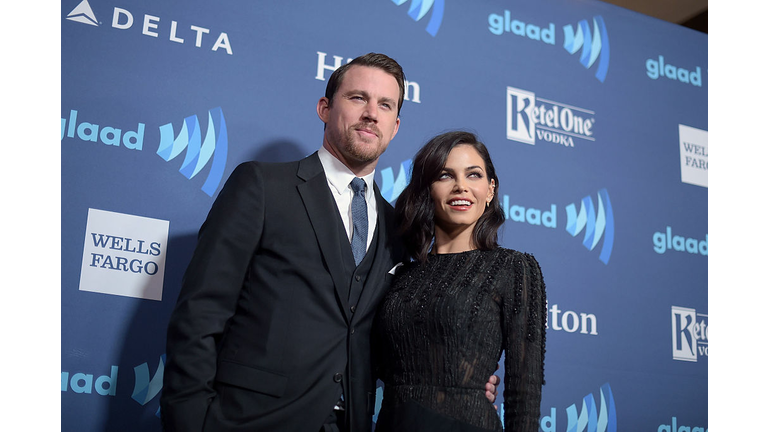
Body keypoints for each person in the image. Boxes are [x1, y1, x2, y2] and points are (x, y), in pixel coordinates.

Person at [160, 53, 498, 432]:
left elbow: (387, 342)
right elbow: (200, 314)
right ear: (325, 108)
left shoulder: (397, 227)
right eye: (358, 98)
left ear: (396, 125)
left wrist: (456, 375)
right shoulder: (263, 187)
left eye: (385, 105)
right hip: (250, 420)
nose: (372, 113)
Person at [373, 131, 547, 431]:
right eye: (445, 175)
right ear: (427, 189)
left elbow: (525, 391)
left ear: (490, 189)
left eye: (474, 175)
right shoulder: (401, 274)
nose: (461, 187)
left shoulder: (513, 267)